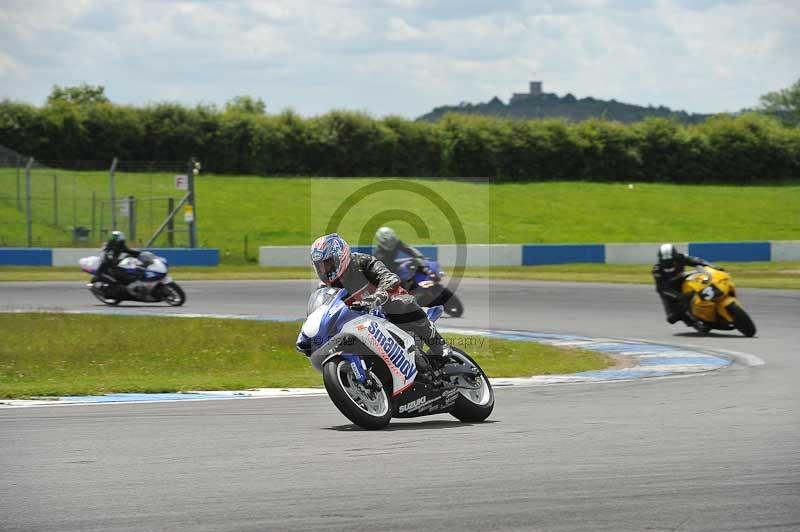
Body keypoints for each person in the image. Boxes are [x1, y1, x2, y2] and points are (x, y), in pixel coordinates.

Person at [310, 233, 450, 358]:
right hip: (356, 322)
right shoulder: (324, 287)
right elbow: (322, 311)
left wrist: (377, 296)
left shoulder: (362, 261)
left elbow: (389, 277)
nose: (324, 270)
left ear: (339, 256)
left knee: (403, 303)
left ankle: (439, 345)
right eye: (320, 266)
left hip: (384, 310)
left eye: (327, 264)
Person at [652, 243, 716, 325]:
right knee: (672, 318)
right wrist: (679, 297)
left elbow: (696, 261)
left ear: (675, 256)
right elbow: (661, 288)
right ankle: (691, 320)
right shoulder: (657, 270)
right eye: (665, 261)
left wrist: (711, 266)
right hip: (668, 289)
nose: (668, 263)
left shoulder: (680, 257)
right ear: (660, 259)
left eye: (670, 260)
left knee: (700, 283)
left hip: (682, 281)